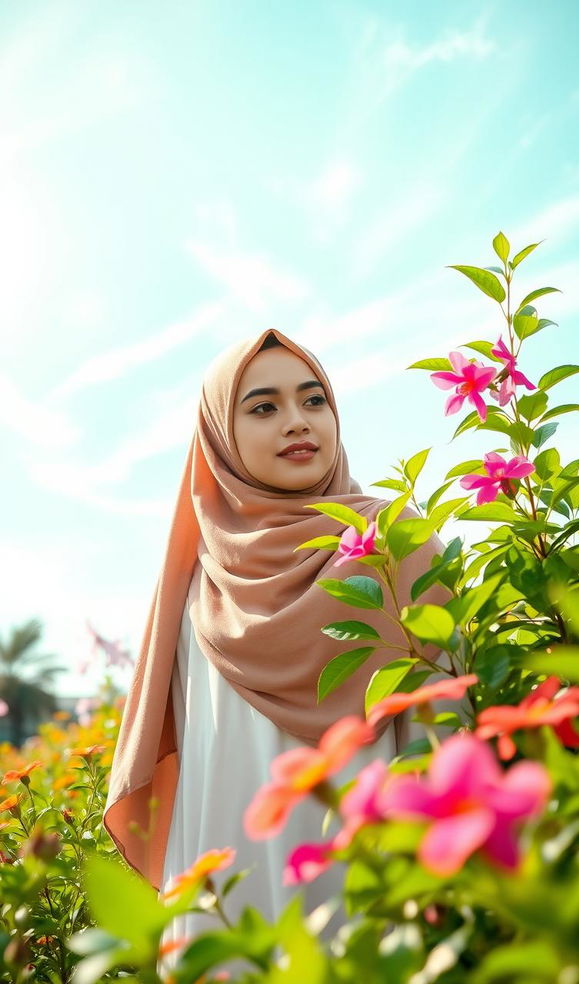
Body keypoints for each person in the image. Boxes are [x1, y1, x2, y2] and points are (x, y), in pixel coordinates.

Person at [102, 328, 455, 961]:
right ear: (219, 434)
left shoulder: (391, 542)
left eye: (314, 400)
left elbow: (442, 739)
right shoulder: (195, 575)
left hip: (365, 886)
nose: (297, 422)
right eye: (264, 407)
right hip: (225, 893)